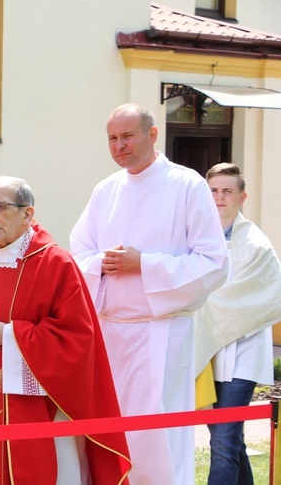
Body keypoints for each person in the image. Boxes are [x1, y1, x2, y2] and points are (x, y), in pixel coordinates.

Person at [0, 176, 131, 484]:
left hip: (33, 408)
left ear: (28, 214)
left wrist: (9, 336)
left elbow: (77, 339)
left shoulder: (55, 263)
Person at [69, 103, 228, 484]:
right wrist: (99, 265)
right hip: (108, 334)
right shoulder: (105, 190)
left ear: (152, 135)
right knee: (107, 429)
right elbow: (78, 253)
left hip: (161, 333)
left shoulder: (187, 185)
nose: (119, 146)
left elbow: (214, 262)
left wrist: (145, 264)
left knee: (156, 434)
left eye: (127, 136)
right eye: (112, 138)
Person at [195, 163, 281, 484]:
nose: (219, 197)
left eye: (227, 190)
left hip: (240, 357)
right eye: (213, 190)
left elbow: (265, 297)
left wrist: (195, 302)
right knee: (231, 440)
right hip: (206, 355)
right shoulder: (197, 237)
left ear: (241, 196)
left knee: (223, 441)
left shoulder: (257, 246)